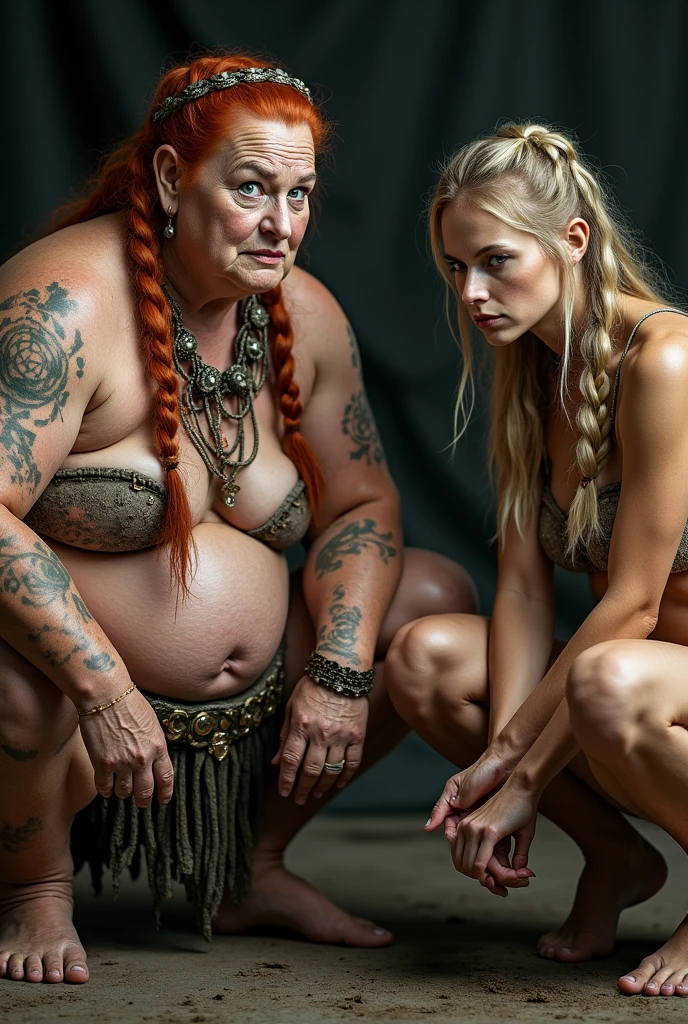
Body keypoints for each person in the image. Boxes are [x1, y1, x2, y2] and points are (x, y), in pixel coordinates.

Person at [0, 53, 478, 984]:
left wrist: (339, 668)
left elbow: (363, 503)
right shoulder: (64, 304)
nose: (281, 224)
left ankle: (249, 869)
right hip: (74, 702)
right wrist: (101, 687)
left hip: (250, 701)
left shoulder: (304, 315)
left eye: (300, 195)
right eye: (252, 187)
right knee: (17, 688)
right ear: (175, 179)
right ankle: (35, 889)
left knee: (429, 595)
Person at [385, 122, 688, 998]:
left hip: (642, 683)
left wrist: (518, 771)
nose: (472, 291)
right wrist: (495, 767)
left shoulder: (664, 358)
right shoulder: (528, 369)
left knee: (609, 681)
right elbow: (521, 589)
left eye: (495, 261)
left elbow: (631, 604)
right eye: (455, 267)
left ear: (573, 242)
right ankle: (616, 857)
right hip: (628, 686)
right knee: (426, 661)